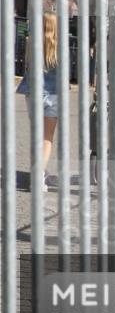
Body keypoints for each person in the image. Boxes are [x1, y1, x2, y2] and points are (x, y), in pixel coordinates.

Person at [16, 11, 59, 191]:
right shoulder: (60, 45)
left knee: (36, 135)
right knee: (47, 138)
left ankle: (38, 171)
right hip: (54, 94)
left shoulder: (31, 42)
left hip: (33, 92)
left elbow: (27, 66)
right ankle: (38, 176)